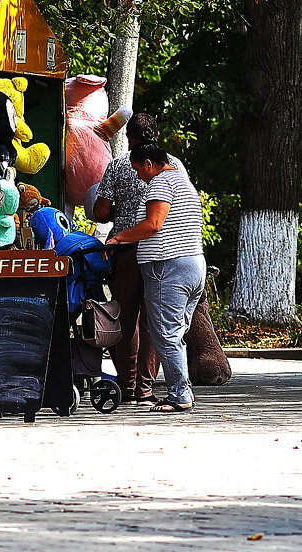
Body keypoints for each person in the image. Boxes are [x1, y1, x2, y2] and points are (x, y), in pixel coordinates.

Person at [93, 113, 188, 403]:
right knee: (153, 320)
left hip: (127, 250)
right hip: (165, 252)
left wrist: (117, 221)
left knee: (124, 316)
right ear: (156, 135)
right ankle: (146, 389)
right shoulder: (175, 166)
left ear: (130, 138)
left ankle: (126, 383)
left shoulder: (120, 164)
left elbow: (100, 212)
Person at [106, 142, 205, 413]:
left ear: (149, 164)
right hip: (193, 265)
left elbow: (153, 224)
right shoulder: (185, 183)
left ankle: (179, 395)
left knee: (166, 334)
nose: (139, 176)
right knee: (175, 333)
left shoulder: (161, 183)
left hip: (168, 268)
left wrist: (119, 237)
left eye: (139, 170)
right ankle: (183, 390)